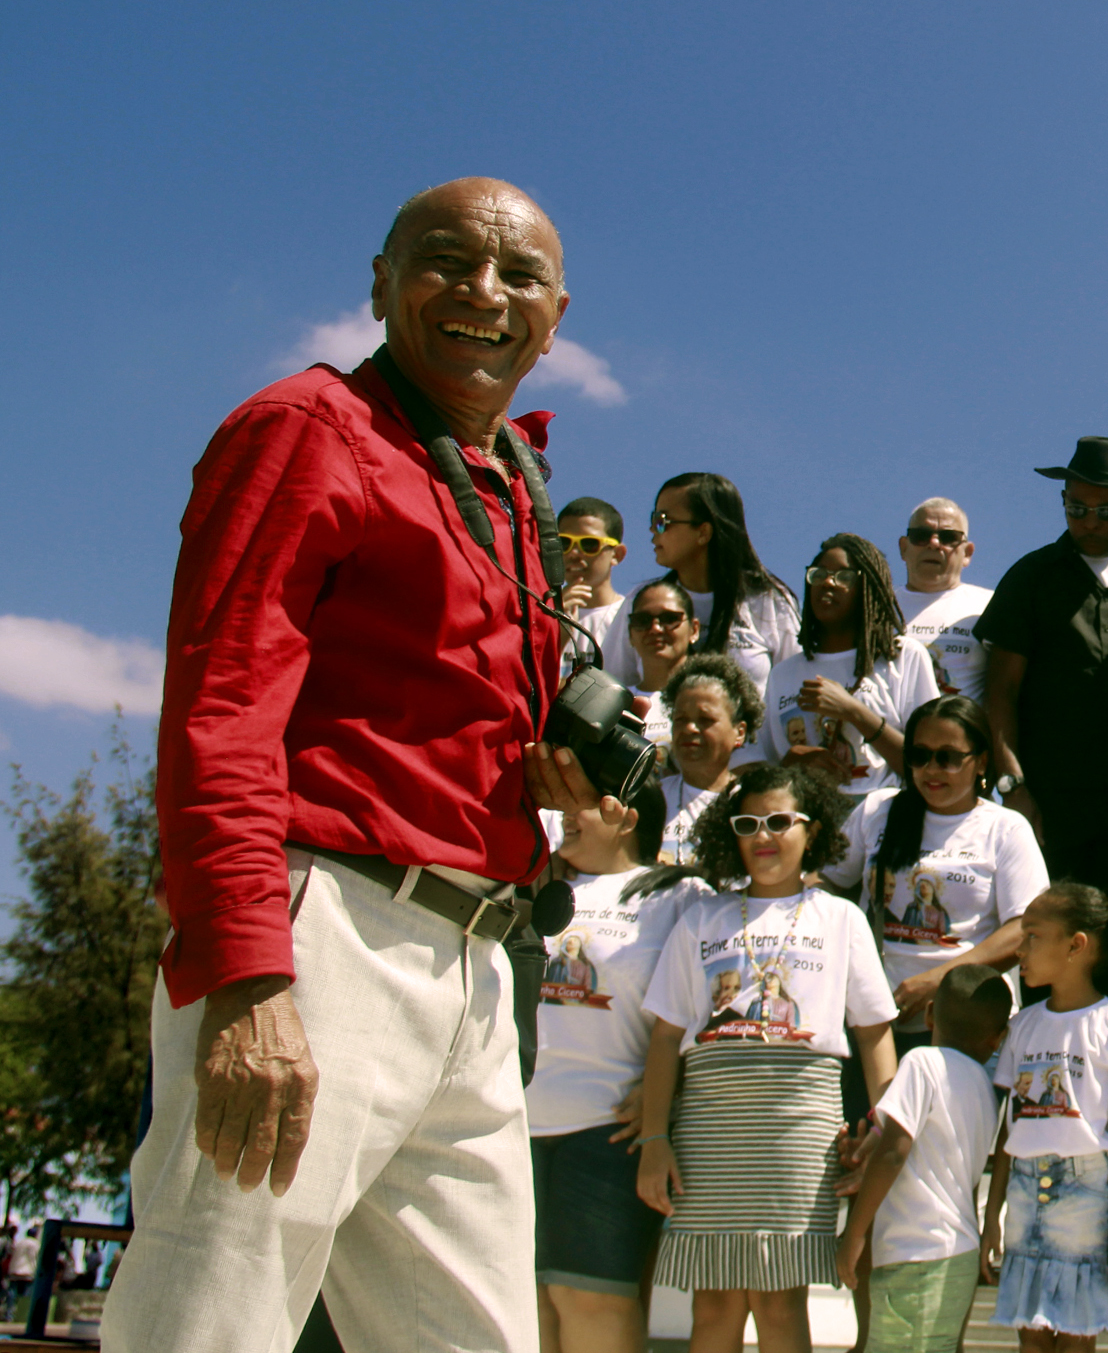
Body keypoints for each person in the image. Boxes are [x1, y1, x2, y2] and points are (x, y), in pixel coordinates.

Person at [107, 177, 591, 1351]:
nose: (485, 292)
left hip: (476, 958)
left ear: (556, 315)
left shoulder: (505, 478)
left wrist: (555, 791)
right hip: (325, 936)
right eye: (448, 260)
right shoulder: (308, 427)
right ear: (380, 283)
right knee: (208, 1320)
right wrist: (247, 974)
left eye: (520, 274)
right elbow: (222, 707)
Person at [638, 765, 900, 1353]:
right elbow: (665, 1037)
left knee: (781, 1300)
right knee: (713, 1303)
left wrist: (883, 1127)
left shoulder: (841, 917)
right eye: (748, 824)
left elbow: (874, 1033)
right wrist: (655, 1138)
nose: (763, 836)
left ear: (813, 830)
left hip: (798, 1128)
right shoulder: (701, 918)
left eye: (780, 822)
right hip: (710, 1129)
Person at [531, 783, 693, 1353]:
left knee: (589, 1298)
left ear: (627, 817)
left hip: (610, 1129)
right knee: (528, 1304)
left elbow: (707, 1000)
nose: (566, 815)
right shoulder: (537, 883)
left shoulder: (679, 895)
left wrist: (668, 1093)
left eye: (583, 803)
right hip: (512, 1121)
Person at [982, 437, 1108, 894]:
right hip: (1050, 809)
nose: (1090, 521)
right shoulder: (1029, 577)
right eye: (1076, 509)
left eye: (1106, 511)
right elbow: (1001, 692)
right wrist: (1012, 787)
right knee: (1048, 930)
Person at [984, 883, 1108, 1350]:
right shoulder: (1022, 1025)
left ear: (1076, 945)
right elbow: (1009, 1127)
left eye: (1033, 936)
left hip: (1086, 1193)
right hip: (1023, 1191)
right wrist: (992, 1213)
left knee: (1077, 1336)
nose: (1020, 950)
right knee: (1030, 1334)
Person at [825, 696, 1048, 1043]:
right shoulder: (877, 811)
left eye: (948, 758)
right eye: (920, 755)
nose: (931, 769)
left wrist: (939, 980)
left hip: (969, 1025)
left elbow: (1025, 928)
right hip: (876, 1022)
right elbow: (827, 882)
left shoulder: (1006, 828)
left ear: (981, 762)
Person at [835, 966, 1014, 1353]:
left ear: (930, 1014)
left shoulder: (920, 1063)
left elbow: (894, 1153)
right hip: (957, 1255)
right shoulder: (985, 1090)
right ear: (998, 1038)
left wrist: (855, 1233)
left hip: (915, 1255)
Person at [763, 534, 941, 796]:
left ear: (869, 588)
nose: (827, 582)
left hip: (882, 811)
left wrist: (854, 711)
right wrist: (791, 763)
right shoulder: (782, 674)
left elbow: (932, 763)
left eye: (844, 577)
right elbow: (765, 763)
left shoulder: (904, 657)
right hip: (806, 814)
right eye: (818, 574)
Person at [650, 472, 802, 763]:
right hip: (668, 776)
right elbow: (620, 680)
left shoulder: (769, 601)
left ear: (703, 532)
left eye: (662, 521)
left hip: (752, 773)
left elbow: (794, 694)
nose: (653, 531)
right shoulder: (645, 604)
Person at [660, 654, 765, 865]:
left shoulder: (753, 803)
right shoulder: (654, 798)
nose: (689, 729)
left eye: (705, 719)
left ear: (739, 732)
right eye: (680, 719)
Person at [895, 499, 994, 705]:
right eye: (921, 536)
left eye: (949, 537)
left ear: (967, 553)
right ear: (904, 547)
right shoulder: (874, 608)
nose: (933, 543)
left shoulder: (990, 606)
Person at [559, 496, 634, 682]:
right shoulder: (538, 614)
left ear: (617, 554)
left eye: (589, 544)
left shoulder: (632, 618)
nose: (574, 553)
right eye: (564, 543)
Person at [631, 577, 702, 744]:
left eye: (669, 619)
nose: (655, 629)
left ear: (694, 630)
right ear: (630, 634)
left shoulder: (713, 700)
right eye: (642, 620)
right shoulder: (619, 705)